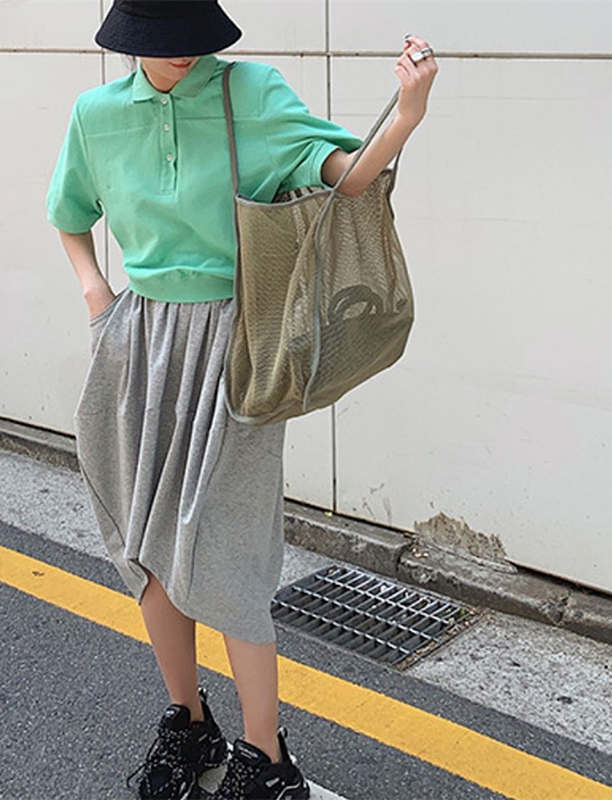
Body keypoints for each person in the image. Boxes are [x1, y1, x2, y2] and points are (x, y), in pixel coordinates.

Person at [46, 1, 437, 798]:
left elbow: (348, 179)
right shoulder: (97, 114)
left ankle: (267, 758)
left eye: (191, 37)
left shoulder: (250, 93)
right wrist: (96, 295)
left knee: (224, 550)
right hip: (139, 343)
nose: (180, 53)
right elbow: (69, 214)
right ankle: (189, 722)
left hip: (237, 349)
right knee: (145, 544)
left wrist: (406, 113)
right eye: (163, 40)